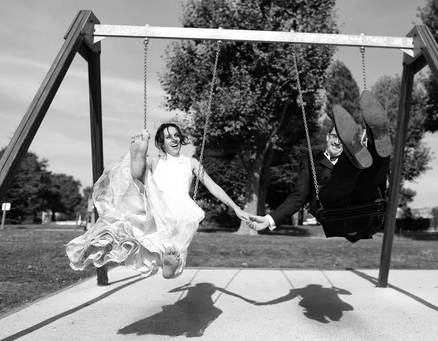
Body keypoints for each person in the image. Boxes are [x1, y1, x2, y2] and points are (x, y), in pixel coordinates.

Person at [66, 122, 249, 279]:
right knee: (136, 185)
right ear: (161, 142)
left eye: (177, 135)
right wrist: (140, 154)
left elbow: (213, 186)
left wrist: (235, 207)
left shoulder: (191, 163)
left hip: (178, 209)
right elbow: (137, 175)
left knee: (167, 248)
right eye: (169, 137)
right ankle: (137, 154)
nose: (175, 139)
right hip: (156, 204)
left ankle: (167, 265)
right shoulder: (155, 161)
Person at [247, 91, 392, 242]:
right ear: (327, 137)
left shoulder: (363, 158)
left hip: (366, 207)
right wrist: (270, 219)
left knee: (369, 177)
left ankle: (377, 137)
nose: (337, 142)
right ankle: (357, 155)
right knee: (339, 180)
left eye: (341, 140)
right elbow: (298, 197)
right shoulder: (312, 160)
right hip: (334, 209)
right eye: (335, 137)